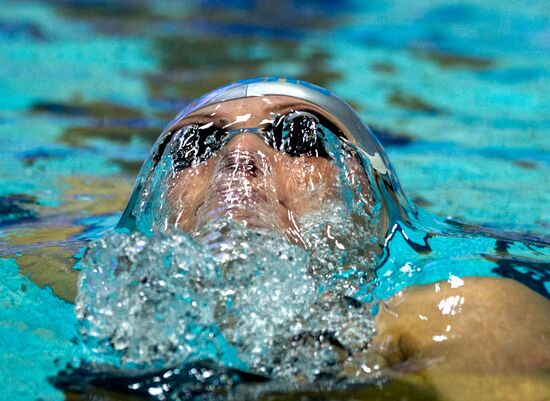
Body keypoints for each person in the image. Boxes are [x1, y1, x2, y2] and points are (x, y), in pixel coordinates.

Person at [114, 77, 550, 400]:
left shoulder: (463, 313)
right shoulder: (65, 284)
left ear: (371, 198)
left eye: (300, 136)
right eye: (195, 145)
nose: (239, 157)